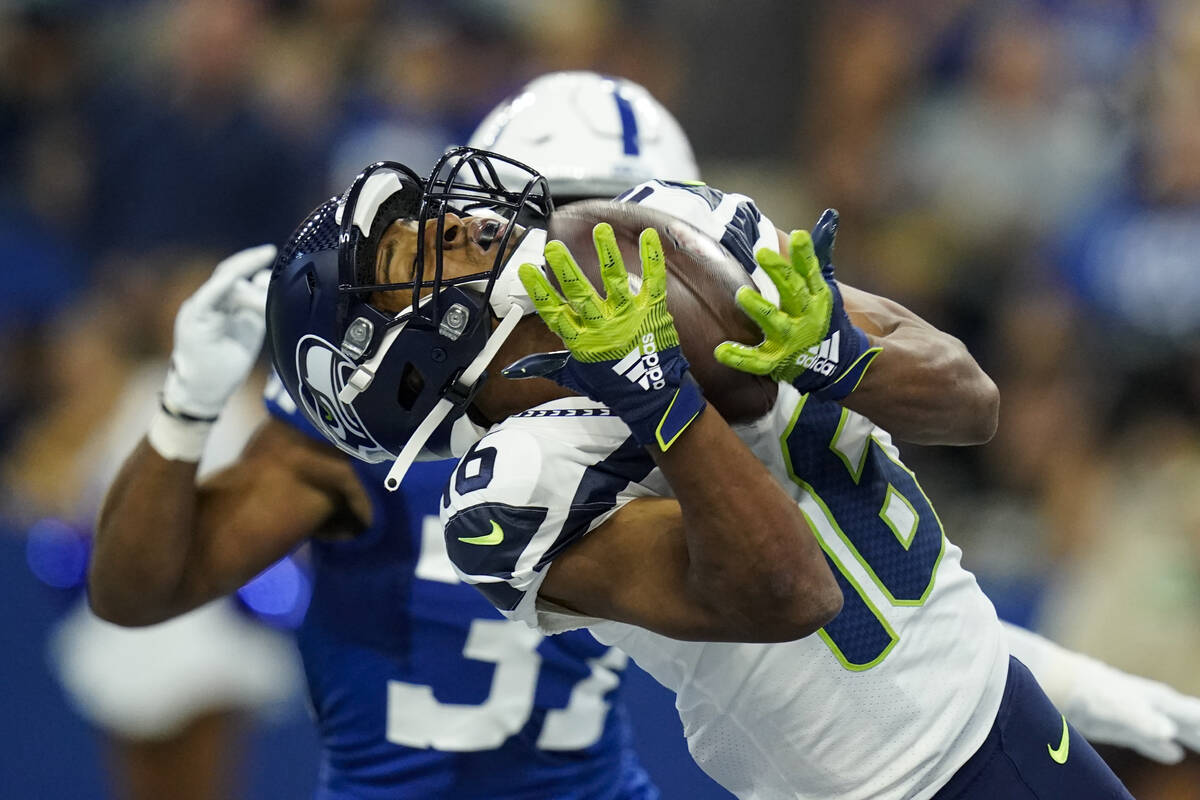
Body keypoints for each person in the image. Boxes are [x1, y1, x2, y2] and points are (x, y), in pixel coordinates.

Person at [262, 144, 1136, 799]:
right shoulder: (507, 490)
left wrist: (840, 356)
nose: (446, 222)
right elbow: (791, 594)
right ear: (387, 371)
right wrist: (663, 404)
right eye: (407, 254)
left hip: (1009, 719)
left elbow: (974, 402)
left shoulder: (670, 236)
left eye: (424, 215)